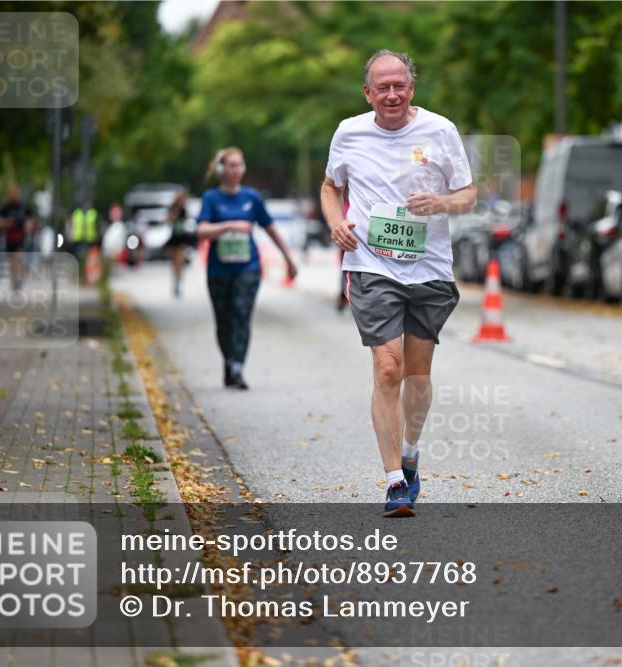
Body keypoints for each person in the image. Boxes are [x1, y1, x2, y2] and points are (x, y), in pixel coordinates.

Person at [321, 50, 476, 517]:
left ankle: (410, 452)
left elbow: (468, 196)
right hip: (371, 266)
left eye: (400, 85)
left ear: (412, 88)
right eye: (382, 87)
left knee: (417, 375)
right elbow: (331, 187)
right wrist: (335, 222)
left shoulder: (440, 130)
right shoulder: (349, 132)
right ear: (367, 92)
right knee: (388, 368)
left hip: (428, 268)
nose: (392, 94)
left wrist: (443, 203)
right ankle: (393, 482)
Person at [197, 147, 297, 389]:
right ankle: (229, 362)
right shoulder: (211, 198)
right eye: (231, 165)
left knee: (242, 315)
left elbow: (271, 229)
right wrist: (230, 225)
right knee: (224, 320)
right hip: (218, 270)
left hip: (248, 268)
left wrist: (289, 260)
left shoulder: (251, 198)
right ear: (222, 169)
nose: (236, 170)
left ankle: (238, 367)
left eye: (239, 165)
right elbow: (201, 231)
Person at [0, 185, 36, 291]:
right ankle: (14, 279)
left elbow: (32, 219)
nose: (14, 195)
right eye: (12, 193)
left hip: (21, 238)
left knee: (19, 259)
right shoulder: (5, 207)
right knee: (12, 262)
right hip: (9, 239)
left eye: (16, 193)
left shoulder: (23, 207)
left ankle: (19, 280)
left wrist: (29, 225)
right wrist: (7, 223)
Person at [165, 189, 196, 299]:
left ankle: (179, 285)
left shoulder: (184, 209)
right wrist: (173, 215)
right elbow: (167, 220)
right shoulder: (172, 208)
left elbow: (189, 220)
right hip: (174, 237)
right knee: (174, 263)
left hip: (182, 238)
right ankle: (175, 283)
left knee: (180, 262)